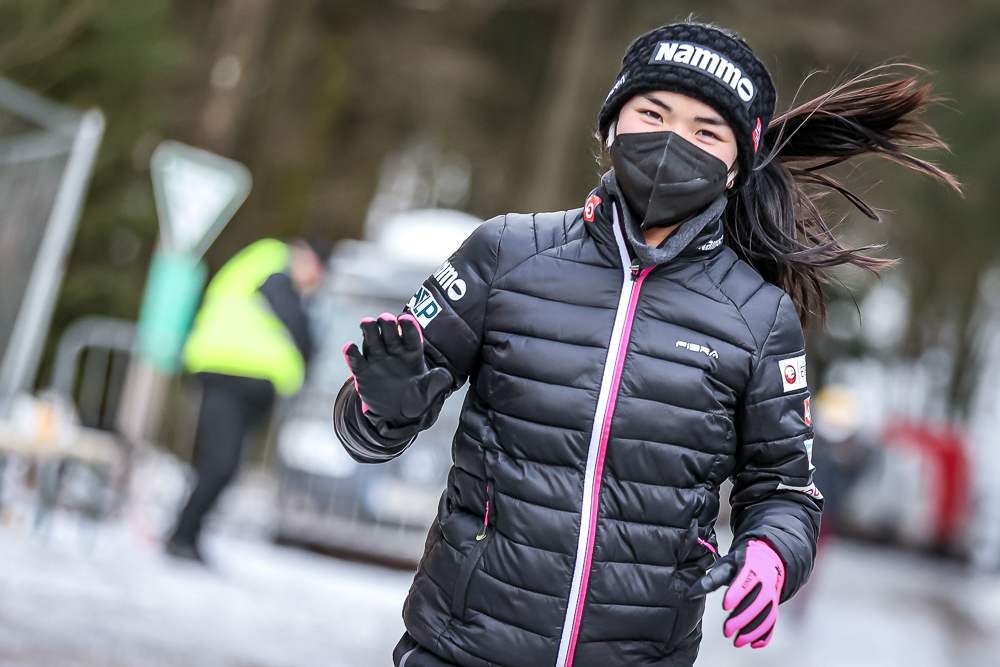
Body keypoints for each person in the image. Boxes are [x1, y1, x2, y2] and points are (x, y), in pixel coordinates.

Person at [334, 22, 958, 667]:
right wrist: (384, 408)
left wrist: (772, 556)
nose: (672, 143)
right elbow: (365, 429)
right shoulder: (504, 254)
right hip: (460, 645)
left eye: (705, 132)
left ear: (737, 165)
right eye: (653, 113)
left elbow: (785, 490)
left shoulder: (760, 318)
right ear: (611, 124)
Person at [166, 237, 327, 562]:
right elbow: (290, 314)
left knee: (223, 464)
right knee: (221, 464)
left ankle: (187, 535)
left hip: (236, 377)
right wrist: (309, 351)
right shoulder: (274, 262)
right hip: (230, 373)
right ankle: (182, 536)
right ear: (308, 259)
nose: (312, 285)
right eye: (316, 276)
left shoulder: (264, 265)